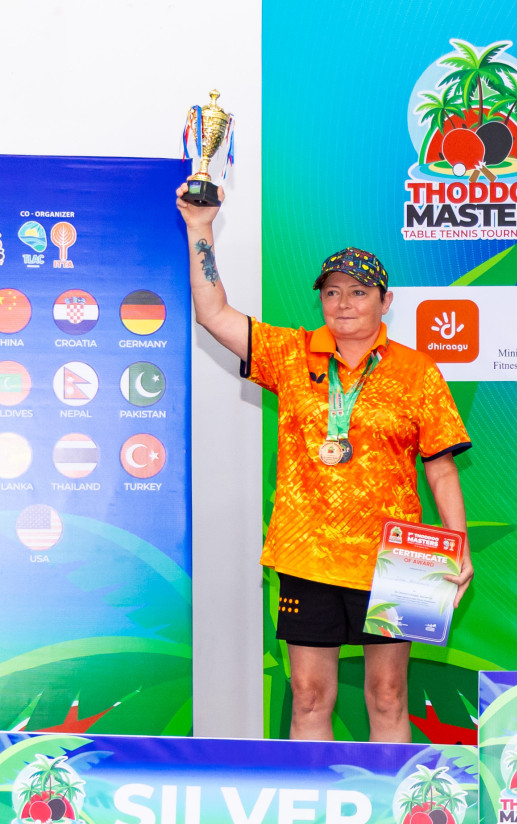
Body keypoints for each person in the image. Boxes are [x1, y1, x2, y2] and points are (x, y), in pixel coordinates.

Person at [177, 185, 473, 742]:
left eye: (358, 292)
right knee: (310, 698)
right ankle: (314, 819)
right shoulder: (290, 356)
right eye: (332, 292)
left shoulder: (417, 372)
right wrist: (200, 228)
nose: (343, 303)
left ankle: (396, 817)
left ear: (386, 302)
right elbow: (212, 312)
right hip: (307, 554)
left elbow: (440, 468)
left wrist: (457, 546)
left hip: (399, 558)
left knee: (388, 697)